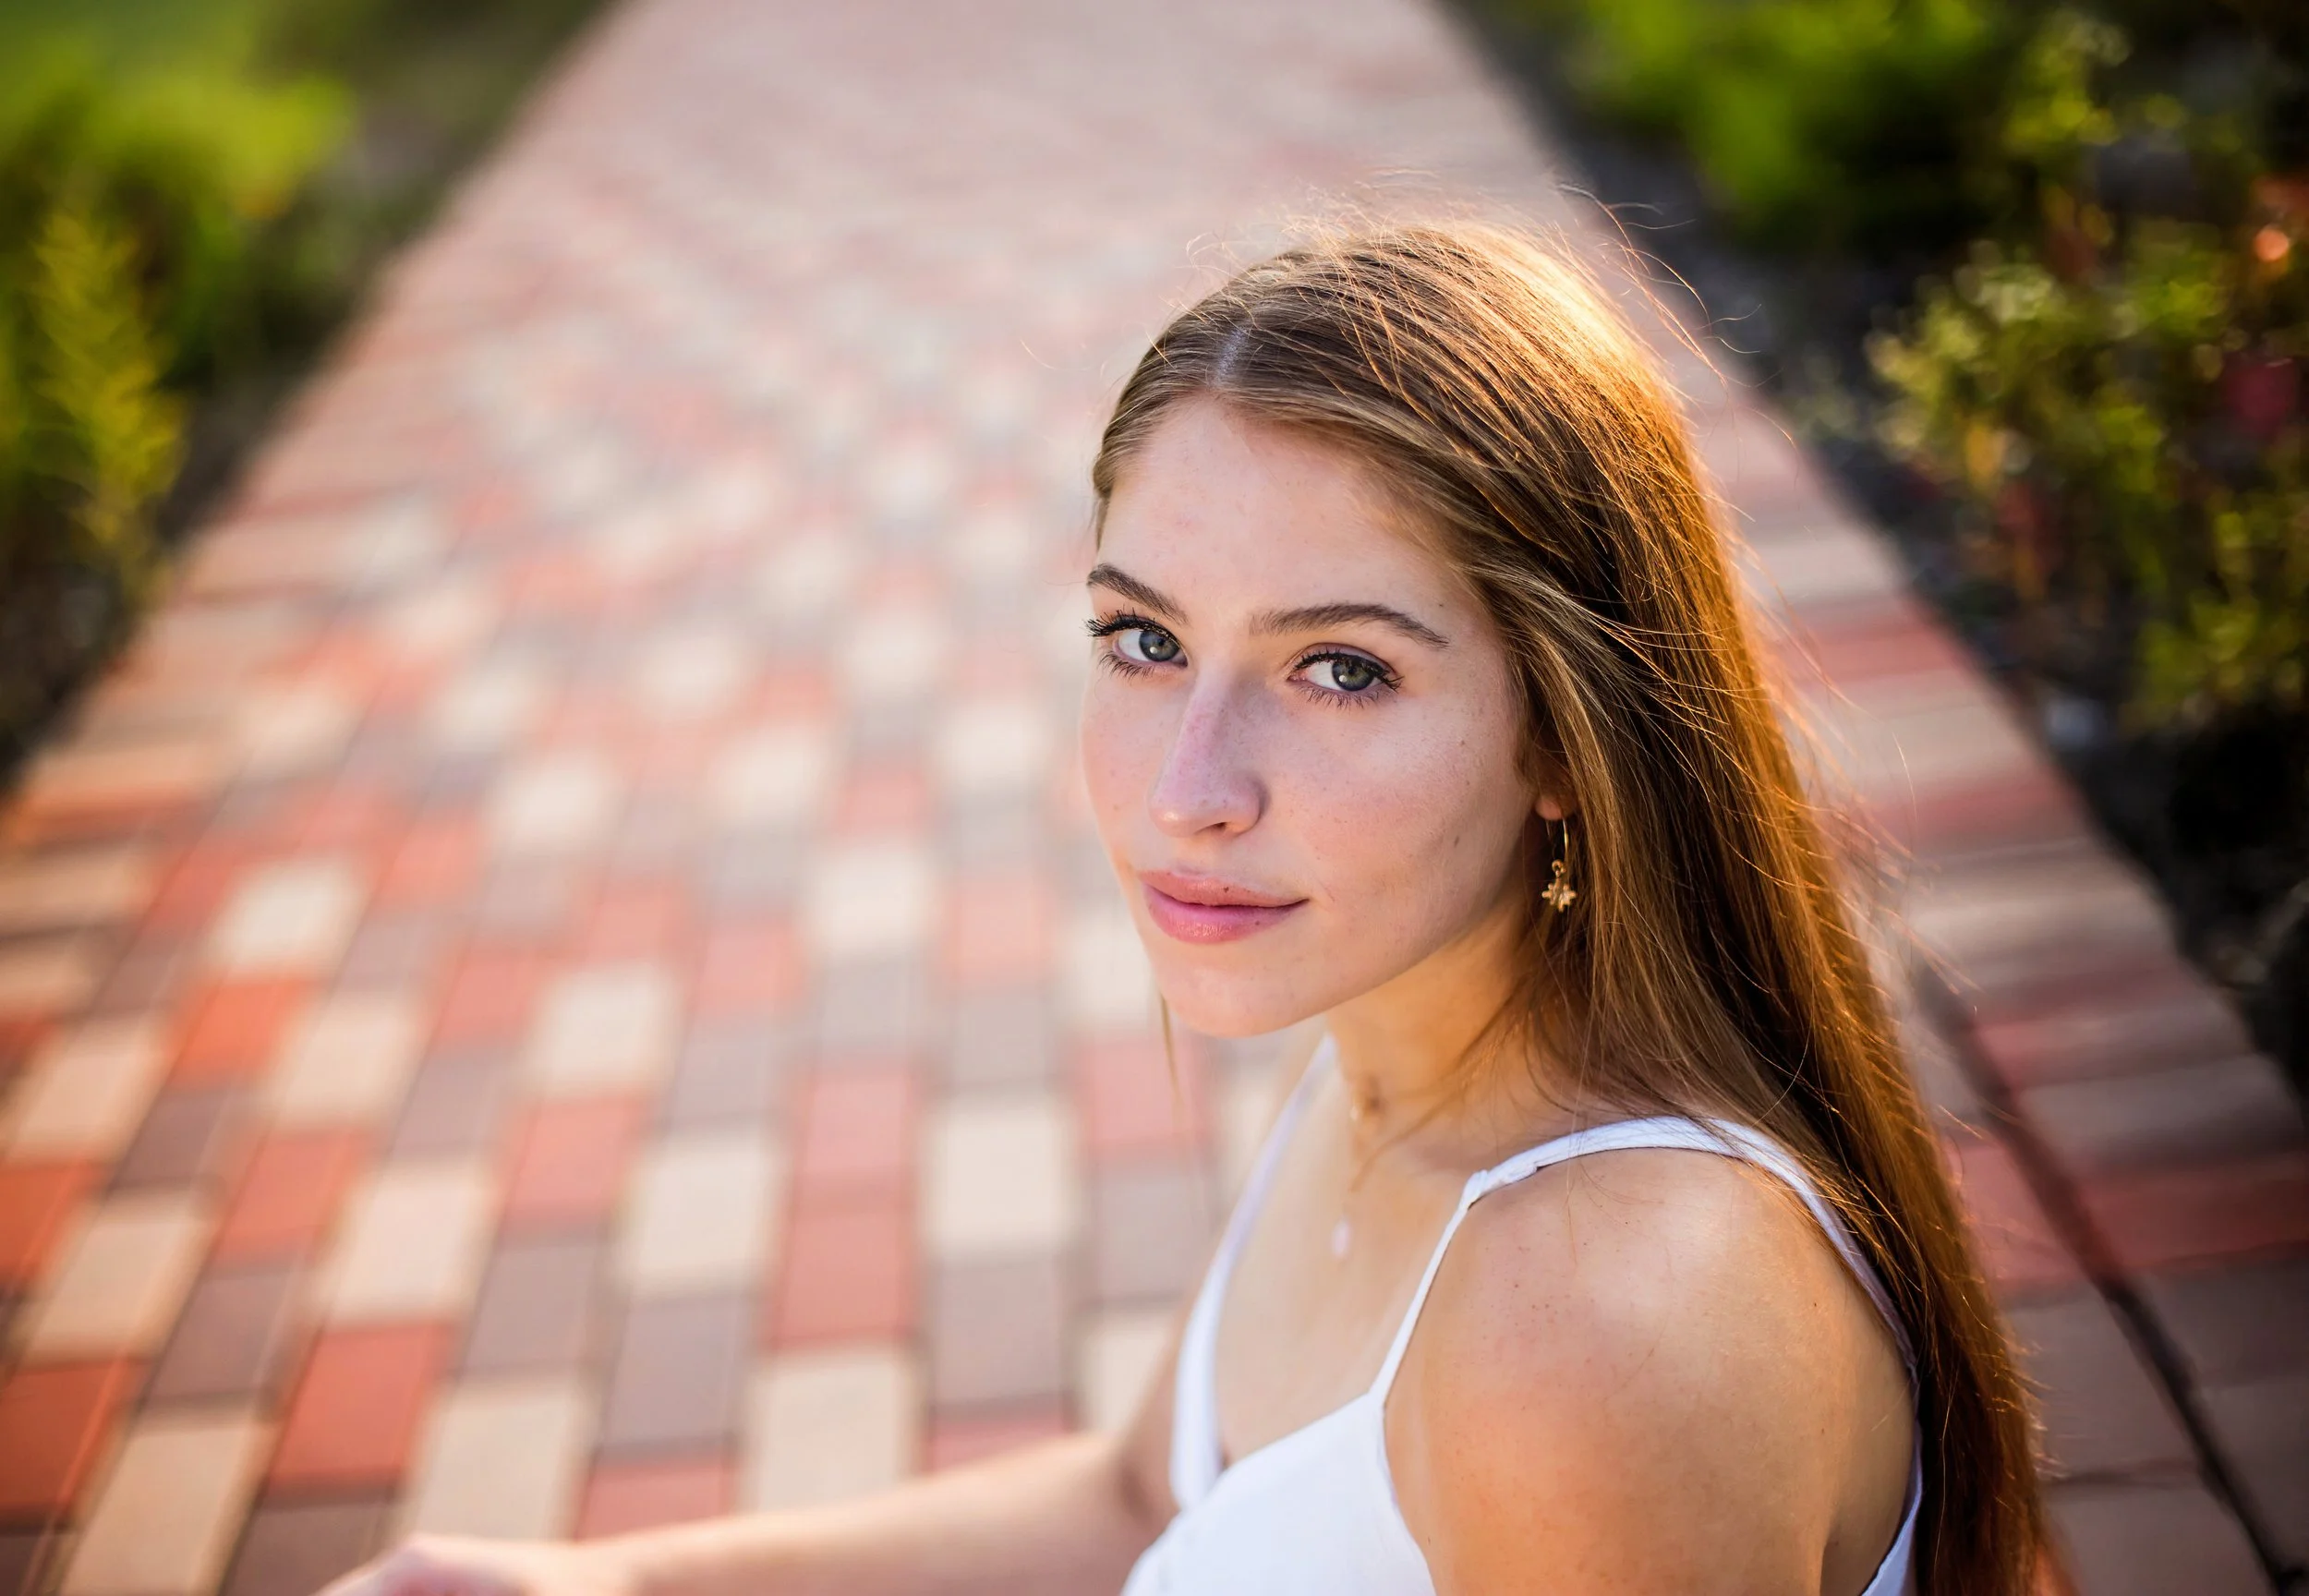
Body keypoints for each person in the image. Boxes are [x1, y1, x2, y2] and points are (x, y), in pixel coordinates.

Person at [324, 224, 2041, 1596]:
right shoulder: (1409, 1043)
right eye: (1144, 641)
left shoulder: (1585, 1330)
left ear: (1568, 741)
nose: (1187, 790)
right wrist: (602, 1587)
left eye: (1342, 670)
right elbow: (1148, 1501)